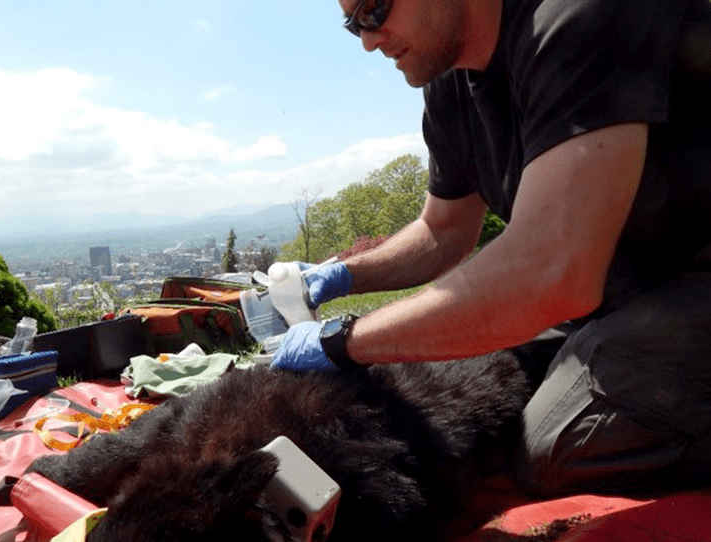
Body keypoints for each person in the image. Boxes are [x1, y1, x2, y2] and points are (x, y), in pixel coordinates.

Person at [271, 0, 711, 496]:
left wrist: (343, 341)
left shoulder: (579, 17)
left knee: (560, 448)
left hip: (692, 274)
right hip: (621, 283)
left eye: (374, 10)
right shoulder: (449, 83)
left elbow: (553, 270)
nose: (369, 40)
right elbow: (443, 231)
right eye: (353, 26)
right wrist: (346, 275)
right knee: (454, 372)